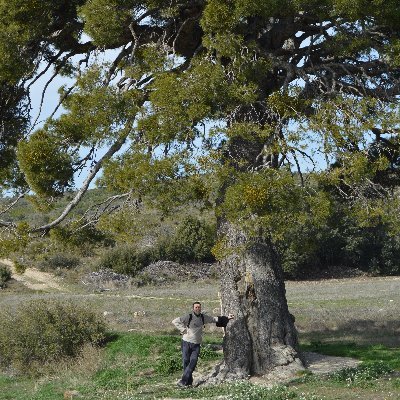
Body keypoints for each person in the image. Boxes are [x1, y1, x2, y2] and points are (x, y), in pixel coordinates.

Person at [172, 301, 234, 388]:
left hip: (196, 344)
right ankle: (188, 382)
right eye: (196, 307)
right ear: (193, 308)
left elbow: (214, 319)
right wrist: (183, 330)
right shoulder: (188, 316)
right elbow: (175, 321)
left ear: (200, 308)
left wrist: (227, 317)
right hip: (186, 342)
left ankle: (183, 381)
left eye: (199, 307)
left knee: (193, 362)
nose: (198, 308)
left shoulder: (203, 317)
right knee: (186, 362)